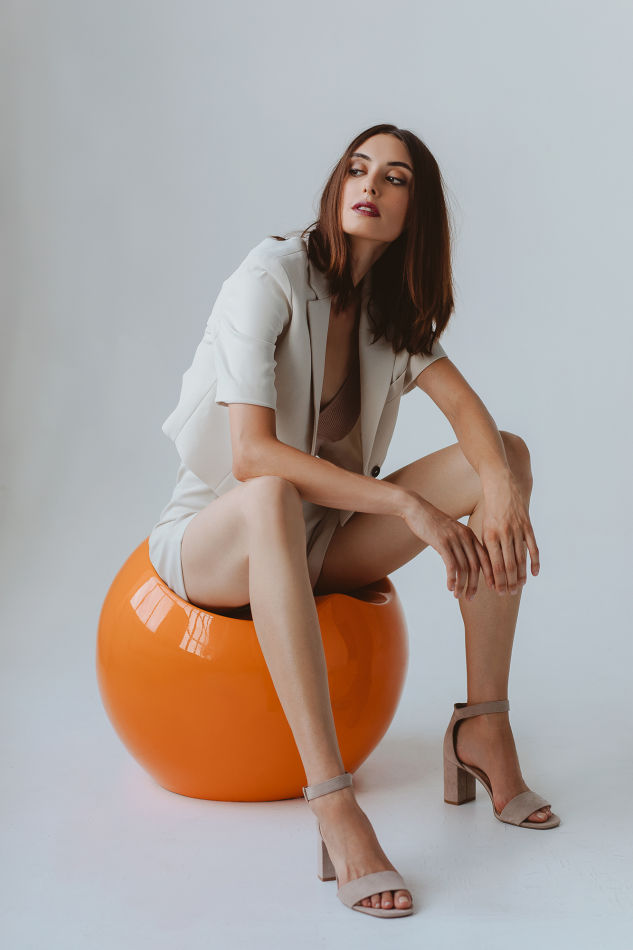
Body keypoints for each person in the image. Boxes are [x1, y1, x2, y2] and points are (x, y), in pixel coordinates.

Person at [148, 123, 560, 919]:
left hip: (320, 540)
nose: (370, 184)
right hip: (217, 539)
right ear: (338, 185)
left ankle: (483, 725)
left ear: (414, 213)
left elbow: (466, 413)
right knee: (272, 493)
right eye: (357, 168)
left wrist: (502, 486)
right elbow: (250, 455)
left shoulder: (388, 310)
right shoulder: (268, 276)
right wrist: (406, 504)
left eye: (394, 178)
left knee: (503, 454)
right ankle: (334, 804)